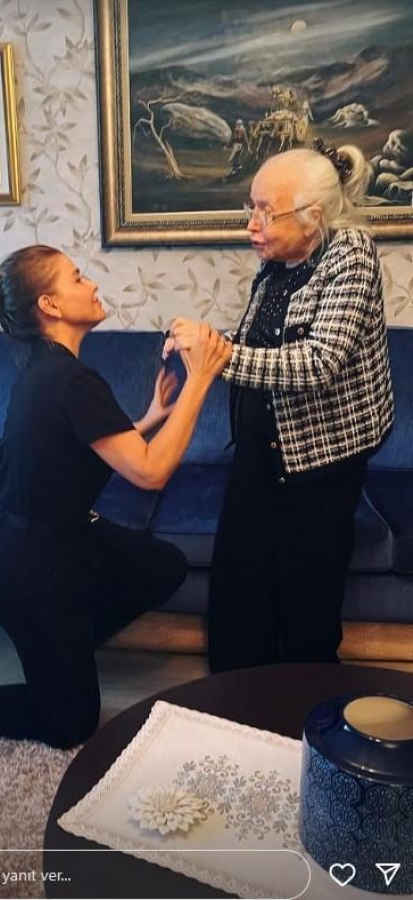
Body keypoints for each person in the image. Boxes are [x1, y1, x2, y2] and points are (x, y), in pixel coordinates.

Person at [0, 246, 231, 747]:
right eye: (77, 278)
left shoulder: (53, 369)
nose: (92, 285)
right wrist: (200, 381)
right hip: (30, 571)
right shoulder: (67, 378)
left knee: (162, 565)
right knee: (70, 721)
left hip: (58, 541)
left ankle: (65, 645)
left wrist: (153, 415)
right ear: (51, 305)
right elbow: (150, 473)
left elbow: (92, 442)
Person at [166, 141, 394, 672]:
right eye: (251, 207)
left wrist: (217, 356)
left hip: (324, 455)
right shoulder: (279, 259)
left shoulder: (351, 253)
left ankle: (301, 703)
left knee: (308, 594)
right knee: (240, 577)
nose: (252, 223)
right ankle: (233, 694)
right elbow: (260, 340)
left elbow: (318, 362)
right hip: (261, 445)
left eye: (267, 212)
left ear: (313, 216)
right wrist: (199, 341)